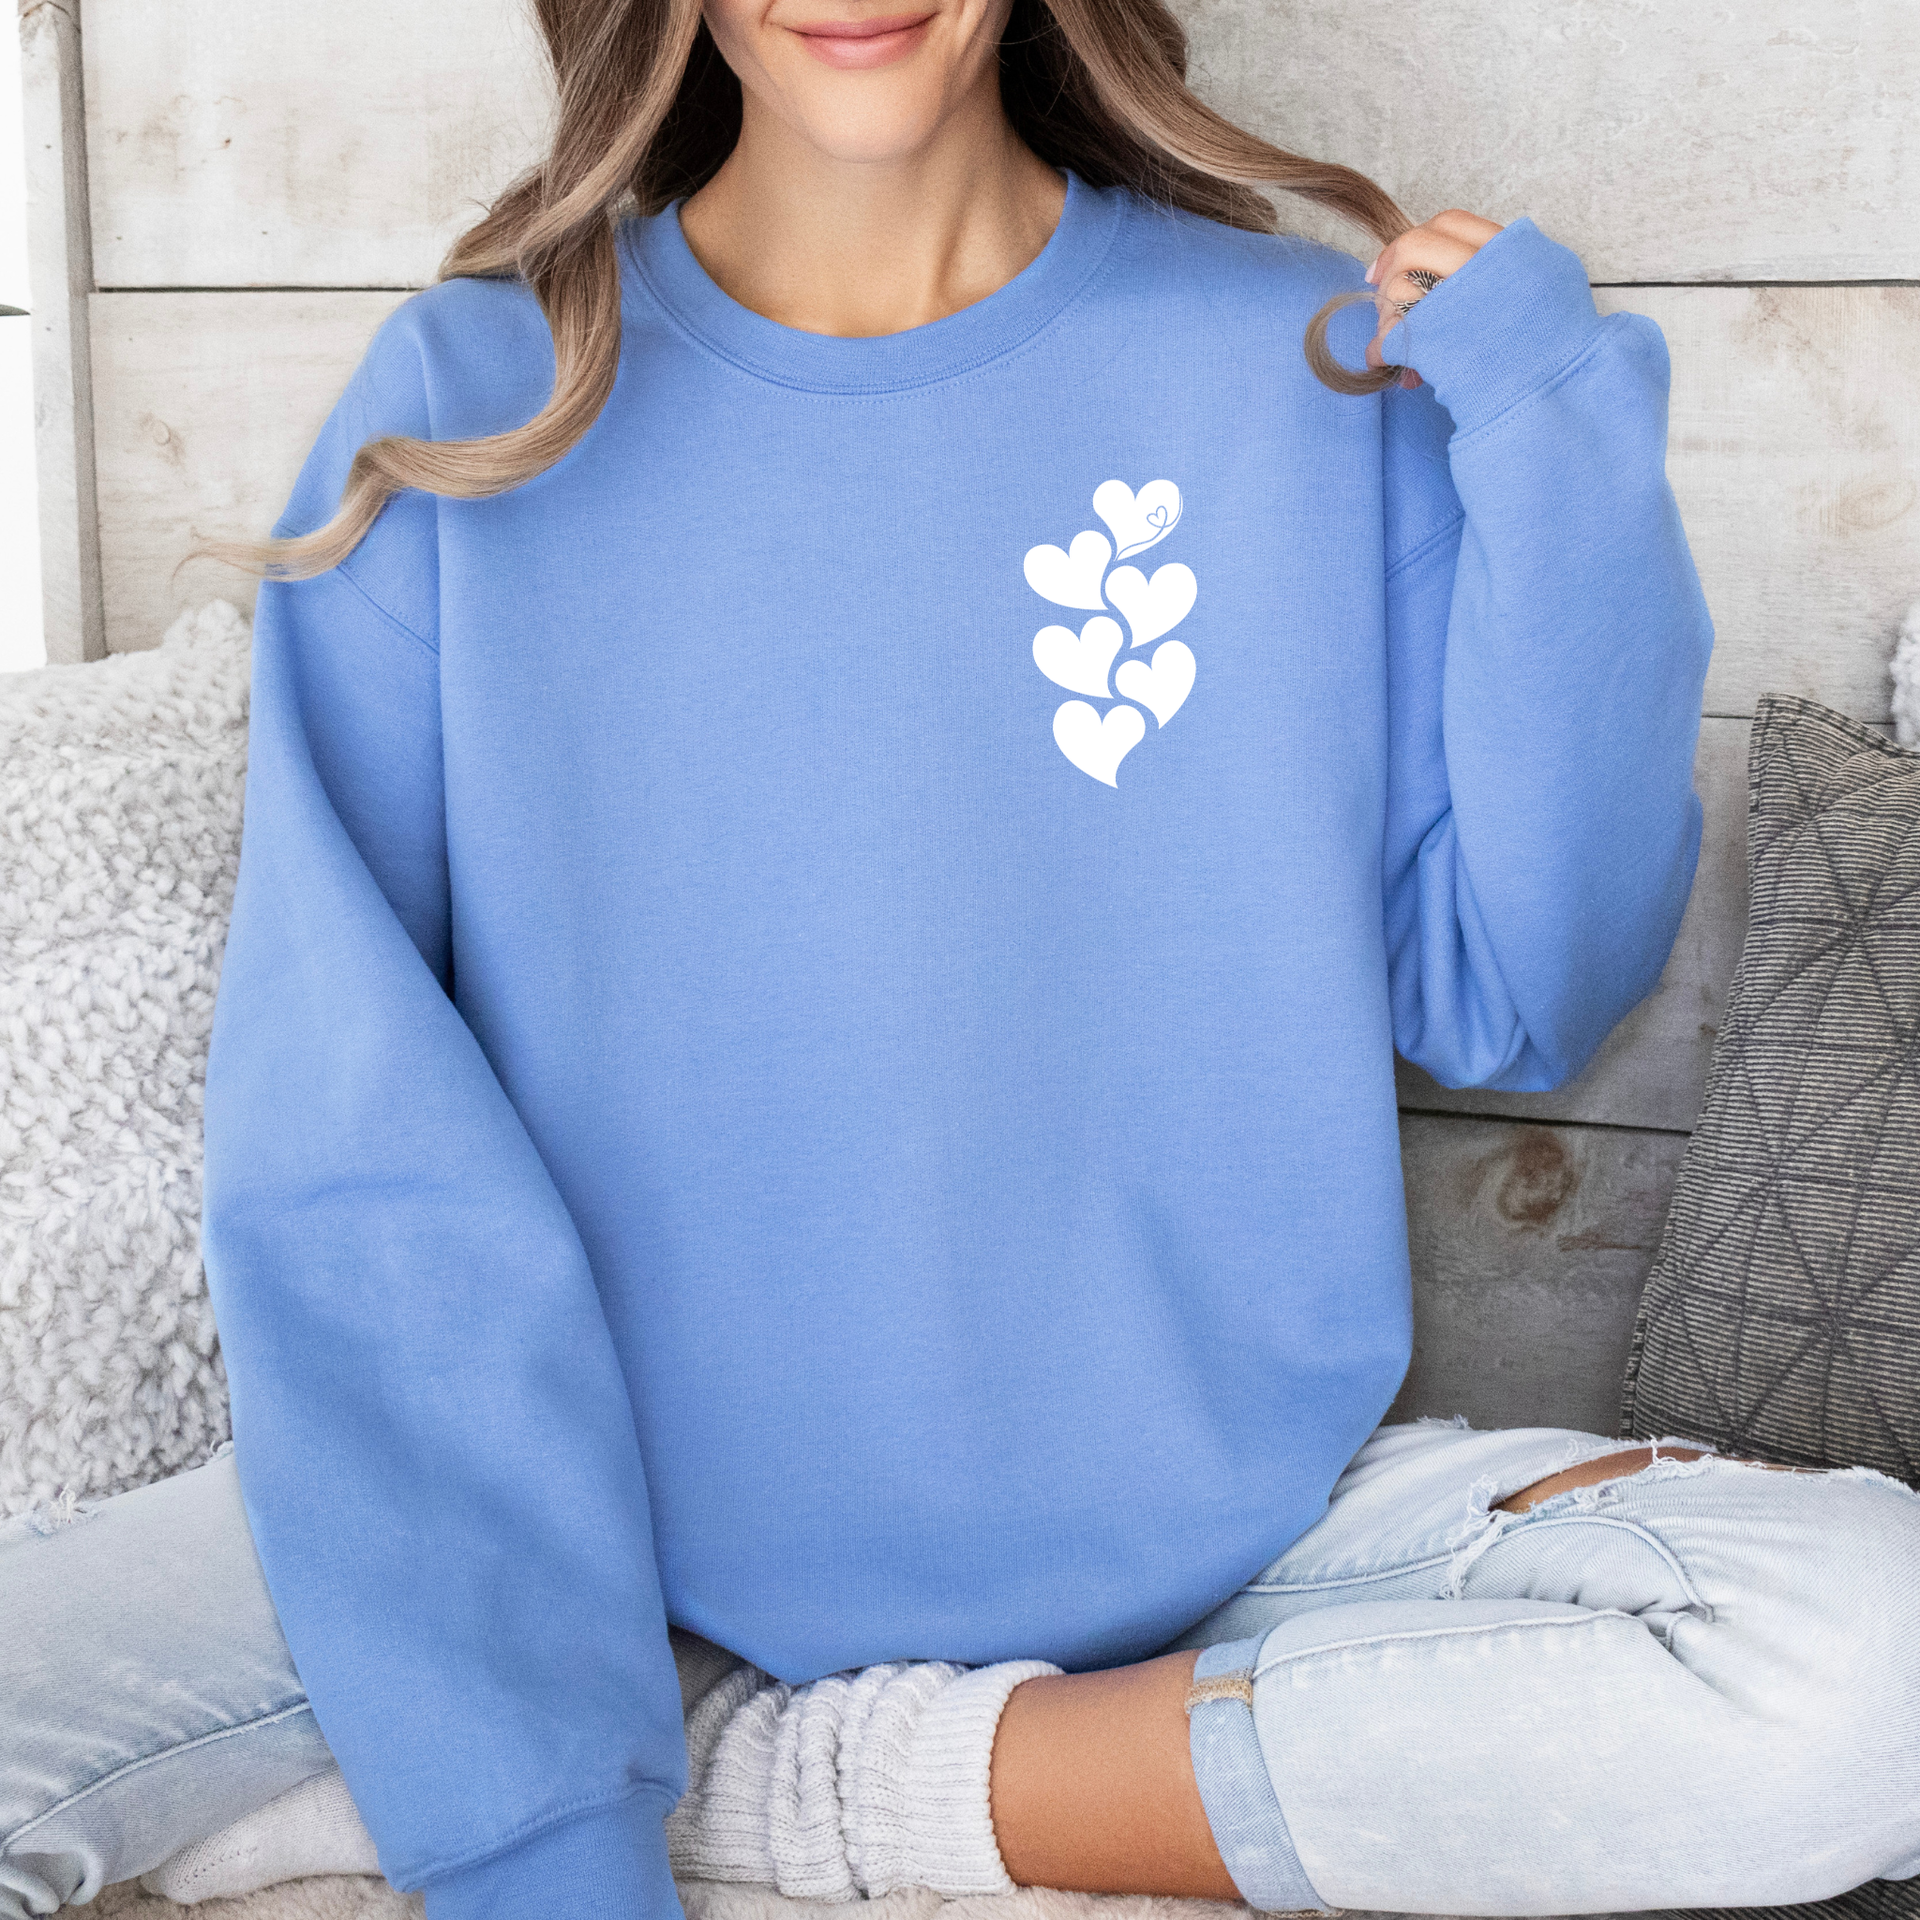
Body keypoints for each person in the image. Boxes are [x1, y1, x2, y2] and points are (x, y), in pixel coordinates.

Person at [6, 0, 1920, 1916]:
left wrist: (1552, 434)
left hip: (1221, 1545)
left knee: (1878, 1667)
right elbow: (355, 1144)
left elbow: (1524, 985)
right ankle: (599, 1752)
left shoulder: (1295, 368)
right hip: (580, 1540)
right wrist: (539, 1831)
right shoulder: (475, 403)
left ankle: (792, 1794)